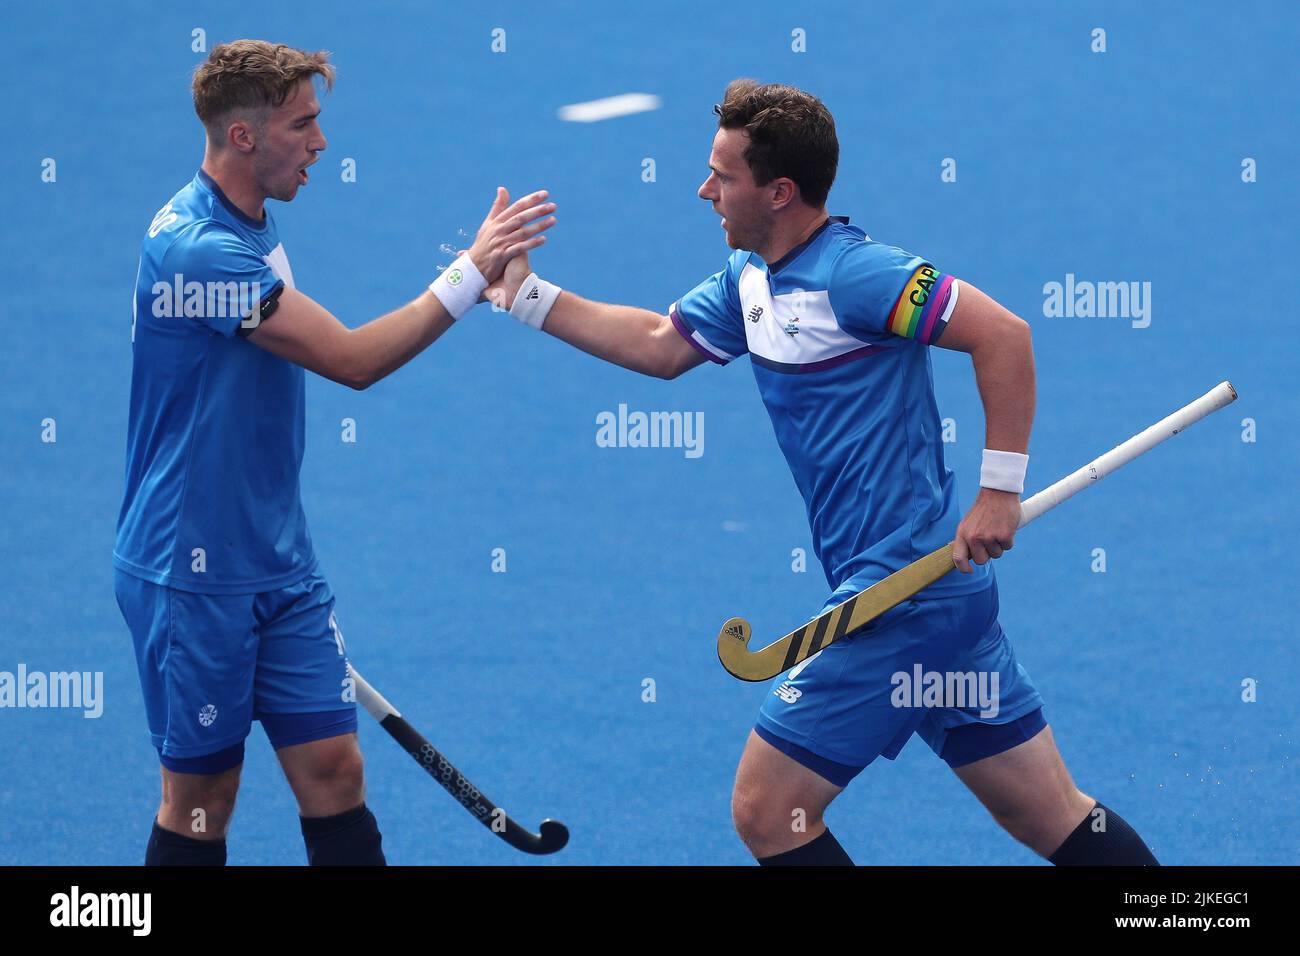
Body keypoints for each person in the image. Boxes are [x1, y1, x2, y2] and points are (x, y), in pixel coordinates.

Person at [484, 79, 1158, 866]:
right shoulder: (749, 278)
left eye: (722, 176)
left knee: (769, 811)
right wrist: (523, 294)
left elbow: (1003, 334)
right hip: (937, 595)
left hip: (903, 594)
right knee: (1051, 817)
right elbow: (659, 344)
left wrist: (1000, 490)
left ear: (779, 192)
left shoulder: (856, 276)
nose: (704, 190)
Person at [114, 39, 555, 865]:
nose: (322, 143)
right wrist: (471, 273)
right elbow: (351, 361)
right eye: (303, 124)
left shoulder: (247, 222)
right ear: (243, 137)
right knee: (202, 802)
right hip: (191, 569)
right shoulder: (197, 250)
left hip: (277, 561)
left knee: (333, 769)